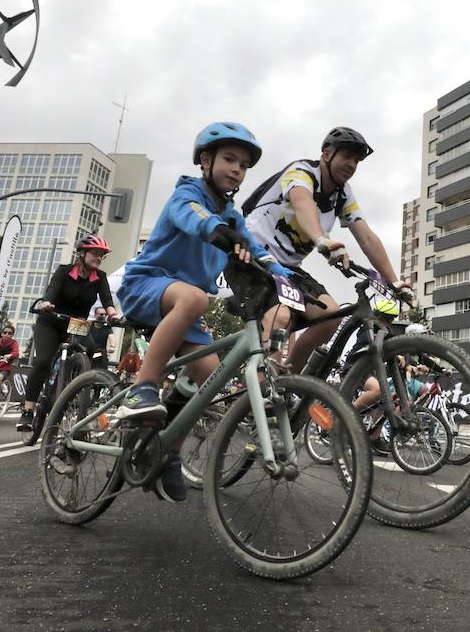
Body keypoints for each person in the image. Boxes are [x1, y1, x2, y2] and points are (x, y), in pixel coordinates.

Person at [113, 121, 293, 503]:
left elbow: (254, 249)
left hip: (183, 304)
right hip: (148, 285)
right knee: (195, 297)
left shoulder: (231, 214)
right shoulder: (187, 193)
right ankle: (141, 389)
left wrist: (284, 274)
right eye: (229, 159)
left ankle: (167, 454)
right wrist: (219, 232)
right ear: (205, 160)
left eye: (243, 165)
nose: (236, 169)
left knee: (209, 381)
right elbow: (195, 218)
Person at [241, 126, 413, 374]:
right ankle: (260, 392)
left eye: (357, 160)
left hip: (287, 269)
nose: (352, 165)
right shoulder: (301, 172)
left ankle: (285, 381)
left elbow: (366, 237)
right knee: (280, 318)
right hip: (251, 257)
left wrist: (394, 281)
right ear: (327, 154)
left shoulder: (343, 194)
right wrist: (322, 240)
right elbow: (303, 204)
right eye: (347, 156)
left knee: (331, 315)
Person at [17, 235, 120, 432]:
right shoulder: (64, 271)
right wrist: (47, 302)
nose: (99, 258)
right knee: (43, 361)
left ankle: (82, 397)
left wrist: (113, 314)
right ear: (82, 253)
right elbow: (53, 289)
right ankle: (28, 410)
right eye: (95, 253)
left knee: (94, 353)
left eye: (101, 255)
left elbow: (107, 300)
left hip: (77, 324)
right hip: (52, 320)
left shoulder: (100, 277)